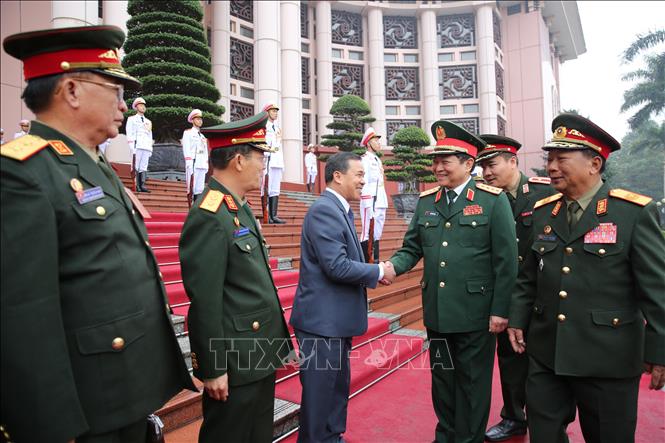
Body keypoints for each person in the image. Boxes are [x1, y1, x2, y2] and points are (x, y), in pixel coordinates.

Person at [1, 25, 195, 443]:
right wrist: (51, 428)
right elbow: (21, 315)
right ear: (72, 90)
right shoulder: (21, 173)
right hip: (87, 409)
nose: (123, 104)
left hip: (126, 390)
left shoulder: (91, 162)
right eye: (115, 90)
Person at [507, 114, 665, 443]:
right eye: (549, 159)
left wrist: (660, 351)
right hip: (547, 352)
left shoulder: (632, 213)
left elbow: (657, 290)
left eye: (561, 159)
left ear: (594, 163)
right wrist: (517, 319)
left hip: (607, 358)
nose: (551, 167)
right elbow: (528, 276)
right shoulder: (543, 211)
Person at [388, 121, 518, 443]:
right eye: (435, 161)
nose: (437, 167)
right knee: (443, 381)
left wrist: (501, 310)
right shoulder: (426, 202)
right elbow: (412, 249)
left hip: (476, 315)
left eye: (445, 161)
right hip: (437, 313)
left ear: (468, 163)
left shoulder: (492, 200)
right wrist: (390, 268)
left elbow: (506, 261)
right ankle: (445, 436)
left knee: (472, 385)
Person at [179, 111, 294, 443]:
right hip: (235, 361)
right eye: (260, 158)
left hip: (258, 353)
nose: (263, 167)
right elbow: (205, 301)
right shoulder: (209, 215)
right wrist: (213, 367)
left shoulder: (238, 207)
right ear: (239, 161)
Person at [289, 151, 396, 443]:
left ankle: (332, 437)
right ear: (337, 176)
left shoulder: (339, 209)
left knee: (335, 389)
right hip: (321, 323)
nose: (364, 181)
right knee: (319, 396)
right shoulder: (325, 210)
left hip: (333, 321)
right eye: (358, 175)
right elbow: (336, 265)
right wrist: (378, 270)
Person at [475, 134, 556, 442]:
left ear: (513, 161)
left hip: (542, 292)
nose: (487, 173)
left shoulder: (543, 192)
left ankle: (547, 422)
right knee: (510, 359)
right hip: (506, 293)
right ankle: (513, 417)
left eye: (492, 165)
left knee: (545, 362)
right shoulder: (483, 198)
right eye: (482, 167)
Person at [360, 127, 388, 263]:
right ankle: (365, 261)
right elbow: (363, 181)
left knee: (377, 232)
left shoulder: (377, 159)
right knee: (367, 232)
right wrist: (366, 201)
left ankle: (375, 260)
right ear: (368, 143)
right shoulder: (364, 160)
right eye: (375, 141)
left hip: (380, 200)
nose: (378, 143)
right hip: (370, 199)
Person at [262, 103, 286, 223]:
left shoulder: (277, 128)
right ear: (267, 113)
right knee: (267, 187)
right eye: (273, 111)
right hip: (269, 160)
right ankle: (267, 215)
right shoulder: (264, 127)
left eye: (276, 111)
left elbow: (279, 147)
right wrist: (266, 154)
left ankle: (274, 215)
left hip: (277, 160)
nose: (275, 113)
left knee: (275, 188)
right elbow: (263, 143)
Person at [126, 97, 153, 193]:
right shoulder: (132, 119)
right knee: (136, 165)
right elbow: (129, 133)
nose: (143, 107)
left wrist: (150, 148)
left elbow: (150, 135)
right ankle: (136, 185)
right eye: (141, 105)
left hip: (146, 146)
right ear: (136, 107)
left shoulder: (148, 121)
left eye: (144, 105)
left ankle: (142, 185)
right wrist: (131, 146)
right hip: (137, 145)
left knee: (144, 166)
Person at [182, 108, 209, 202]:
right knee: (191, 186)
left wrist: (206, 163)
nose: (200, 121)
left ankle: (196, 205)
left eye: (201, 119)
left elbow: (205, 151)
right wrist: (188, 162)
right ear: (192, 120)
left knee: (200, 188)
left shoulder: (203, 136)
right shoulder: (188, 133)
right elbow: (186, 148)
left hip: (201, 163)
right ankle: (191, 205)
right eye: (197, 119)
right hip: (193, 162)